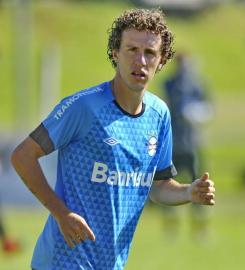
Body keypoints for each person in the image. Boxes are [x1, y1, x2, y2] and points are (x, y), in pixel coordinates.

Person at [11, 8, 215, 270]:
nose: (140, 61)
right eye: (131, 50)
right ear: (115, 53)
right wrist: (61, 214)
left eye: (149, 53)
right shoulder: (85, 107)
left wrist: (189, 191)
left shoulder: (159, 115)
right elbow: (23, 155)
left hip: (111, 263)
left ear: (162, 61)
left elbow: (158, 185)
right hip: (63, 260)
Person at [161, 52, 213, 240]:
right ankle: (170, 228)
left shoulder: (198, 84)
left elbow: (208, 108)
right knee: (168, 185)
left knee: (198, 185)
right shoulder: (169, 84)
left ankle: (200, 229)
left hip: (192, 144)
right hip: (173, 144)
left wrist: (196, 113)